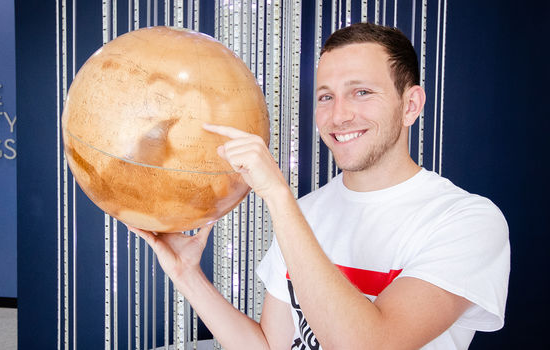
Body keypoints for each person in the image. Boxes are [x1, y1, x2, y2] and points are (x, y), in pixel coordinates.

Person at [129, 22, 510, 349]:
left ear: (410, 105)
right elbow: (270, 345)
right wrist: (187, 275)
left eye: (362, 92)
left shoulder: (466, 221)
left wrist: (278, 196)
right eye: (326, 96)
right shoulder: (305, 213)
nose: (338, 115)